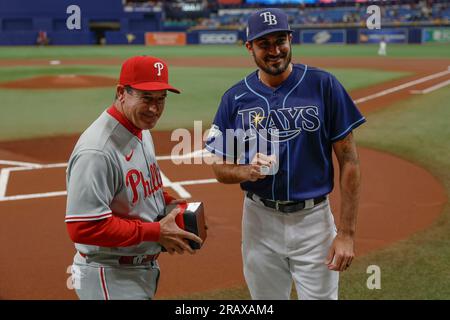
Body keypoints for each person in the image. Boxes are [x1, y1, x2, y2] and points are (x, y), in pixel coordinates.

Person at [205, 8, 366, 300]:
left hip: (314, 222)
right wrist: (246, 171)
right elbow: (219, 166)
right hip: (258, 221)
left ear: (291, 39)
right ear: (249, 47)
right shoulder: (235, 98)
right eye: (264, 44)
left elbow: (350, 163)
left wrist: (346, 234)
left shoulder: (323, 85)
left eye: (280, 40)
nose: (274, 50)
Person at [65, 56, 202, 300]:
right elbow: (83, 227)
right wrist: (155, 232)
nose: (154, 109)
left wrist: (178, 210)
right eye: (146, 98)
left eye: (161, 100)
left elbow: (146, 191)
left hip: (135, 270)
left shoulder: (138, 128)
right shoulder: (97, 152)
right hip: (109, 275)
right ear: (121, 93)